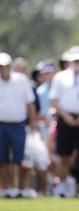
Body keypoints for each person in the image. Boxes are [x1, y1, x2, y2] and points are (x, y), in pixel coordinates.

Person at [49, 45, 79, 198]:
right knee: (63, 156)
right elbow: (54, 100)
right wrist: (67, 117)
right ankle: (61, 187)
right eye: (74, 59)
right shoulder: (60, 77)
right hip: (65, 118)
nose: (77, 62)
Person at [0, 52, 37, 198]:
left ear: (10, 66)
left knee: (20, 158)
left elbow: (29, 104)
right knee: (2, 159)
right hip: (1, 125)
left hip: (18, 125)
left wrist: (33, 122)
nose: (2, 69)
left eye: (4, 66)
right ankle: (7, 188)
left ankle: (20, 188)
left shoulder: (21, 80)